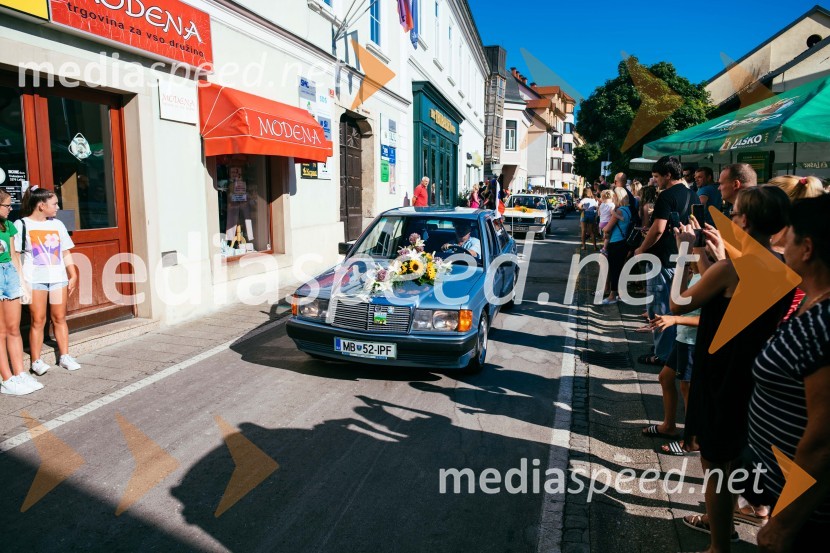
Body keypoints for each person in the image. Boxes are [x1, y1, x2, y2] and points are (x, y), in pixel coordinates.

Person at [670, 186, 795, 552]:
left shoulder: (731, 269)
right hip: (756, 372)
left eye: (734, 212)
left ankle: (718, 546)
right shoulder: (784, 265)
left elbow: (680, 303)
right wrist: (714, 257)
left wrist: (684, 249)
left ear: (744, 220)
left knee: (716, 465)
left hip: (721, 371)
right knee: (741, 454)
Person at [747, 195, 830, 552]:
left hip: (809, 515)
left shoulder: (821, 325)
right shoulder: (813, 307)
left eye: (790, 236)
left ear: (807, 248)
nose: (783, 244)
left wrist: (784, 524)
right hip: (788, 494)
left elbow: (824, 440)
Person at [634, 156, 696, 367]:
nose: (656, 181)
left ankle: (662, 354)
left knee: (659, 308)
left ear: (668, 175)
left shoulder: (666, 196)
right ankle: (669, 349)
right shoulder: (693, 194)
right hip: (682, 259)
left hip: (661, 259)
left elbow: (659, 229)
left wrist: (641, 249)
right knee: (676, 308)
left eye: (657, 177)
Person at [14, 186, 81, 375]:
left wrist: (73, 273)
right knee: (38, 320)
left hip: (58, 279)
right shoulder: (22, 225)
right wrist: (22, 282)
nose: (58, 207)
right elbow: (16, 256)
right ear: (41, 205)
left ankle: (65, 356)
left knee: (59, 318)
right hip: (34, 281)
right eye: (54, 204)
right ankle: (36, 360)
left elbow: (65, 251)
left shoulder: (57, 225)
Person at [0, 190, 41, 395]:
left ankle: (19, 373)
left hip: (10, 275)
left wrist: (22, 283)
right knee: (0, 332)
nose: (10, 209)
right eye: (7, 206)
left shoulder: (7, 226)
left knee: (14, 329)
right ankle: (7, 379)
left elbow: (15, 256)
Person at [600, 188, 633, 304]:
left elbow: (607, 228)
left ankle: (612, 296)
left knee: (614, 269)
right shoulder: (628, 210)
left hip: (615, 242)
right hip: (624, 242)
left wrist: (603, 229)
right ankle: (618, 294)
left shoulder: (618, 211)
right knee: (620, 269)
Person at [598, 189, 615, 255]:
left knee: (605, 237)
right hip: (607, 223)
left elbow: (599, 214)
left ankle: (604, 248)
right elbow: (612, 213)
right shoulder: (612, 205)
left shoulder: (601, 205)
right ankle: (604, 249)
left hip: (601, 223)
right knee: (608, 238)